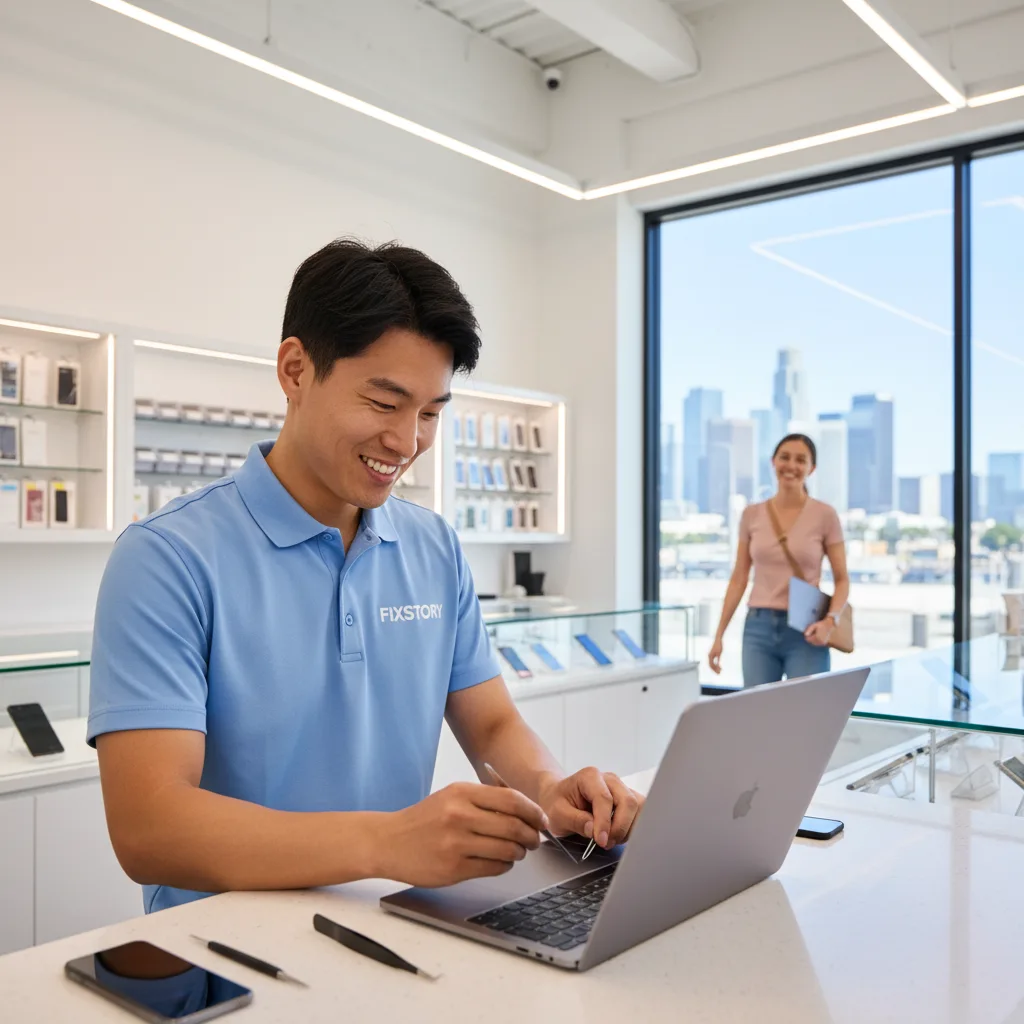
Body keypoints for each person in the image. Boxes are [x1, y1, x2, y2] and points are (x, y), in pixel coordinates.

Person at [89, 239, 643, 913]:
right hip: (226, 958)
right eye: (385, 403)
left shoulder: (433, 546)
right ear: (295, 370)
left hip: (395, 924)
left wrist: (551, 791)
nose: (408, 441)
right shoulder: (167, 558)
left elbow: (492, 724)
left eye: (432, 412)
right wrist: (386, 843)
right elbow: (151, 829)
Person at [707, 433, 849, 687]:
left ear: (811, 468)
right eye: (784, 457)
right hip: (757, 629)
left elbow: (842, 579)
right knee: (758, 715)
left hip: (807, 629)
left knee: (807, 714)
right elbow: (739, 577)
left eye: (800, 460)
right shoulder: (752, 515)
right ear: (773, 462)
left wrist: (830, 622)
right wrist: (719, 635)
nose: (791, 466)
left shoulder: (825, 515)